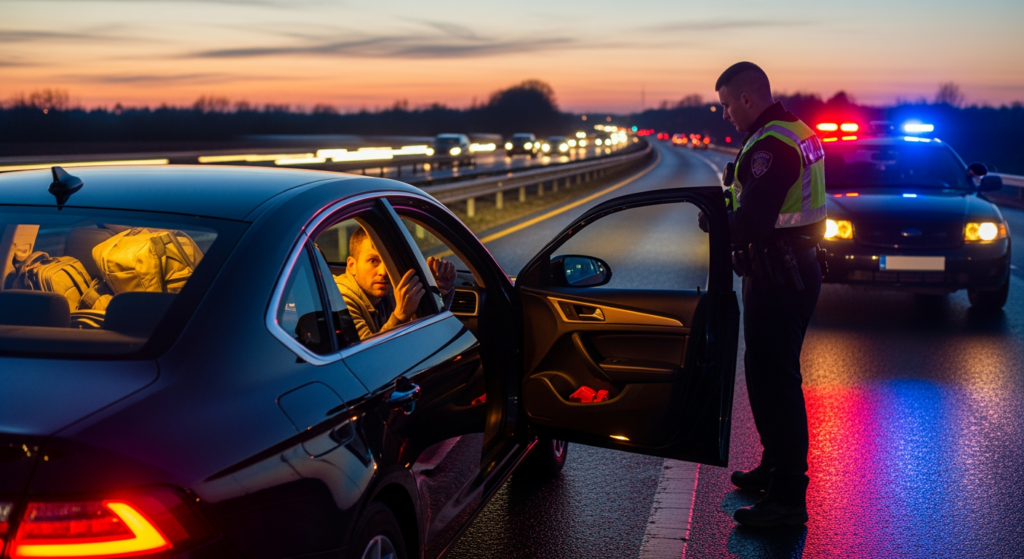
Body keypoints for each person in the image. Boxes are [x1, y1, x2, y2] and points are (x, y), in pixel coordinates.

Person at [703, 61, 826, 527]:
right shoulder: (793, 130)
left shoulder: (771, 147)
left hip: (780, 276)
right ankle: (774, 465)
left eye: (727, 105)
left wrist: (714, 222)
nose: (725, 115)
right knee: (765, 375)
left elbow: (752, 222)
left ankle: (788, 499)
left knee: (777, 384)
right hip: (789, 270)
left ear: (747, 100)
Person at [335, 227, 456, 340]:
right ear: (352, 266)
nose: (384, 272)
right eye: (373, 261)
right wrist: (400, 315)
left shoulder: (392, 288)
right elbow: (368, 357)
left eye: (388, 261)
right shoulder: (342, 300)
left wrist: (438, 292)